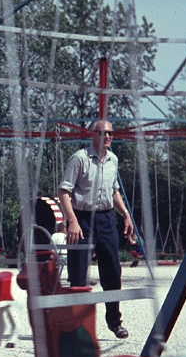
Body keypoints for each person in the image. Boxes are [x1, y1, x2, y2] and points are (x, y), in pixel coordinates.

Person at [57, 119, 134, 340]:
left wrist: (125, 214)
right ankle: (76, 326)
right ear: (93, 135)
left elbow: (114, 191)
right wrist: (72, 221)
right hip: (82, 218)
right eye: (103, 133)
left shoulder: (113, 160)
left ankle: (115, 322)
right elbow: (64, 192)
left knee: (112, 272)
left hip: (106, 219)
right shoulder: (80, 159)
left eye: (111, 133)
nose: (107, 137)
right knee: (78, 274)